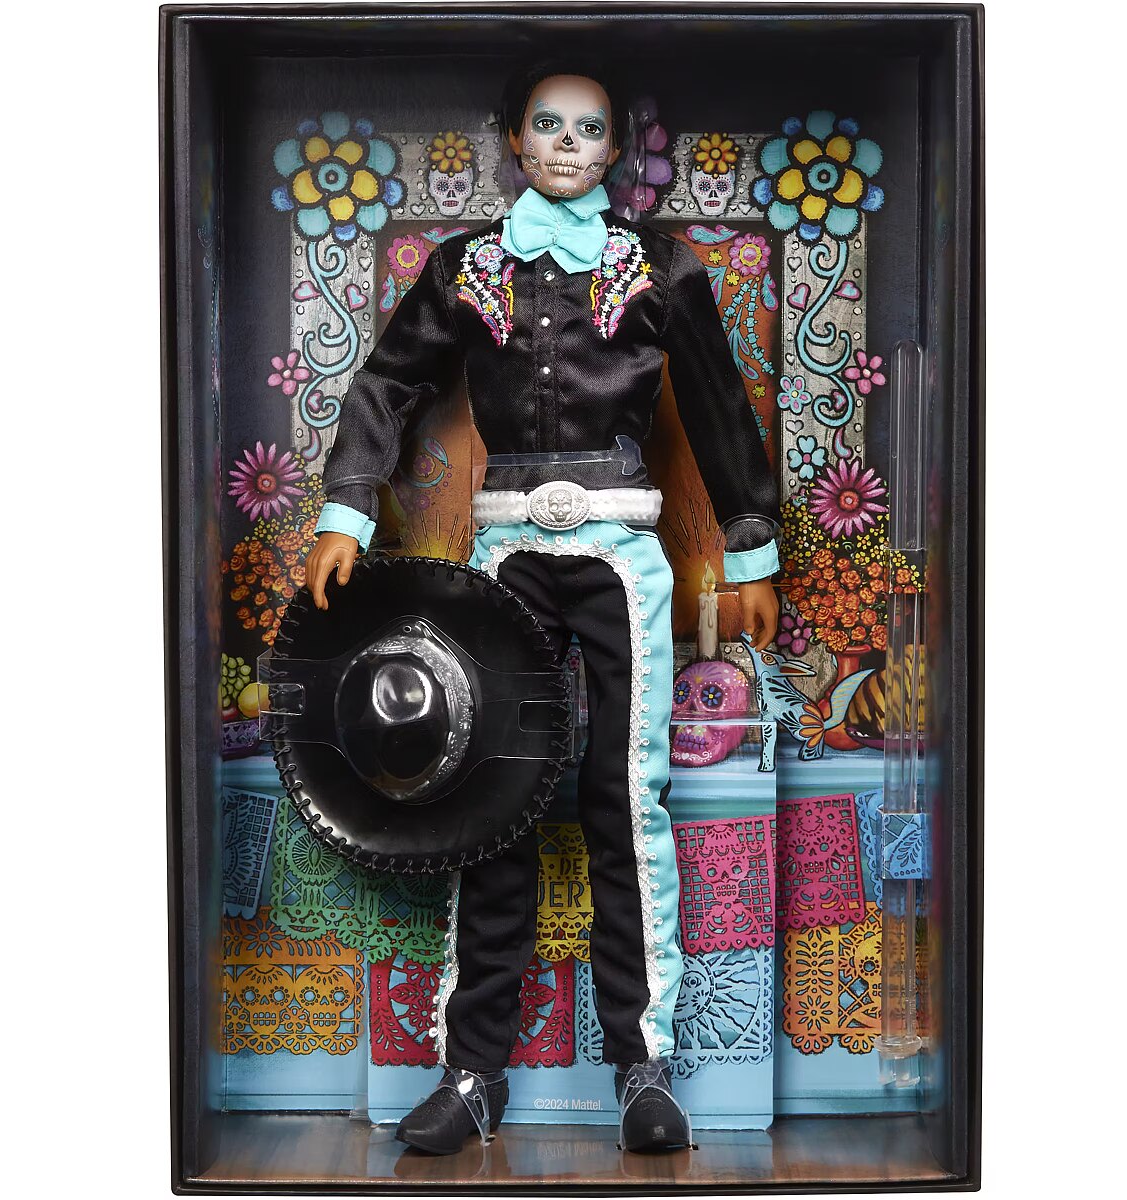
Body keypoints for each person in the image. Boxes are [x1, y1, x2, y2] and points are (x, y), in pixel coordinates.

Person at [303, 64, 781, 1155]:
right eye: (548, 126)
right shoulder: (466, 267)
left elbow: (718, 403)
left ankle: (643, 1067)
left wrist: (750, 547)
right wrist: (347, 509)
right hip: (507, 555)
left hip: (621, 554)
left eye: (590, 129)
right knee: (492, 798)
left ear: (615, 150)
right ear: (516, 142)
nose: (568, 143)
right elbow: (387, 383)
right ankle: (473, 1073)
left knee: (626, 797)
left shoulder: (659, 266)